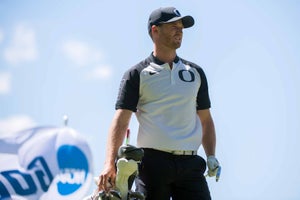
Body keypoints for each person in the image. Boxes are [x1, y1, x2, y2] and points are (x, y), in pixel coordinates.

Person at [98, 6, 220, 200]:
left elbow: (205, 120)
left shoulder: (195, 72)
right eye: (173, 25)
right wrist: (109, 163)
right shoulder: (137, 74)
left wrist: (211, 155)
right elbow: (121, 120)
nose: (179, 30)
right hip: (152, 165)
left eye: (181, 26)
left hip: (190, 165)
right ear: (155, 30)